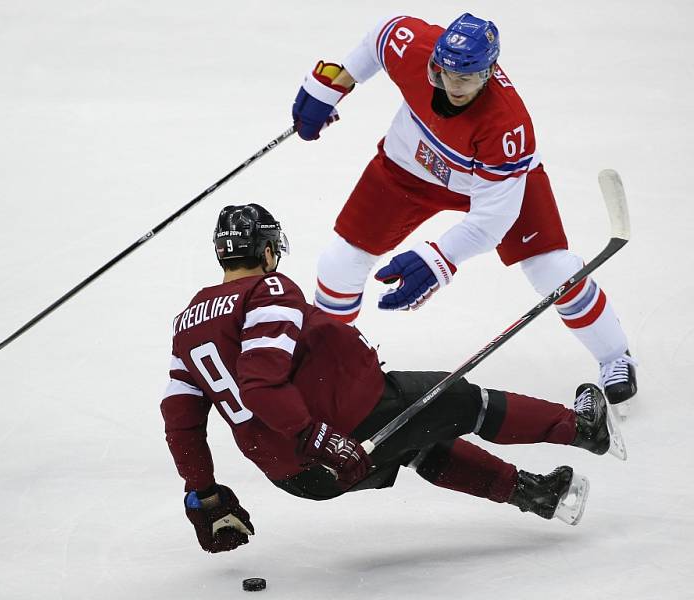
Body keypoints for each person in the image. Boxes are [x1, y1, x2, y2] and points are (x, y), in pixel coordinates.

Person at [160, 203, 626, 554]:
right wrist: (317, 437)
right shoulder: (268, 290)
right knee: (463, 401)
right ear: (266, 250)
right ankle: (581, 428)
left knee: (419, 443)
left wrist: (204, 493)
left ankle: (539, 494)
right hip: (342, 429)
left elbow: (180, 423)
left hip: (298, 476)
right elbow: (261, 384)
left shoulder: (186, 324)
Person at [290, 13, 637, 414]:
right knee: (338, 263)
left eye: (467, 78)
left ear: (489, 72)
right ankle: (330, 366)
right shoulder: (416, 48)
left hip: (491, 184)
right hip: (408, 170)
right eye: (444, 74)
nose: (453, 86)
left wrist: (439, 258)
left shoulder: (507, 129)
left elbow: (491, 221)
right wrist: (335, 82)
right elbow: (379, 39)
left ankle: (615, 356)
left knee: (553, 270)